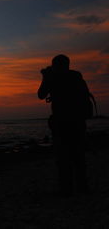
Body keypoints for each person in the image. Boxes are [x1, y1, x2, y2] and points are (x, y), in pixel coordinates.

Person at [38, 54, 90, 196]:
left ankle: (67, 190)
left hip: (61, 124)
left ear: (55, 65)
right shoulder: (76, 77)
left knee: (63, 159)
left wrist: (45, 76)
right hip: (78, 123)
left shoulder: (53, 77)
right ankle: (82, 188)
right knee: (78, 157)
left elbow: (41, 94)